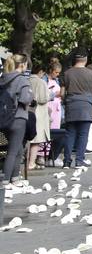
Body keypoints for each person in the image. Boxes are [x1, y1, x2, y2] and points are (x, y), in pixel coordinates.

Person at [61, 50, 92, 167]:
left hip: (71, 104)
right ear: (86, 60)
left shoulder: (67, 73)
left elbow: (62, 93)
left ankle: (67, 161)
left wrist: (65, 101)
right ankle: (79, 160)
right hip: (86, 106)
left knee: (70, 134)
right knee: (83, 134)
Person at [1, 55, 35, 184]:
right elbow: (25, 99)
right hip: (18, 117)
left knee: (19, 149)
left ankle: (15, 178)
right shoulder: (21, 80)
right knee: (12, 151)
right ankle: (5, 180)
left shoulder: (3, 78)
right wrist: (31, 95)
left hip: (4, 118)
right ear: (22, 65)